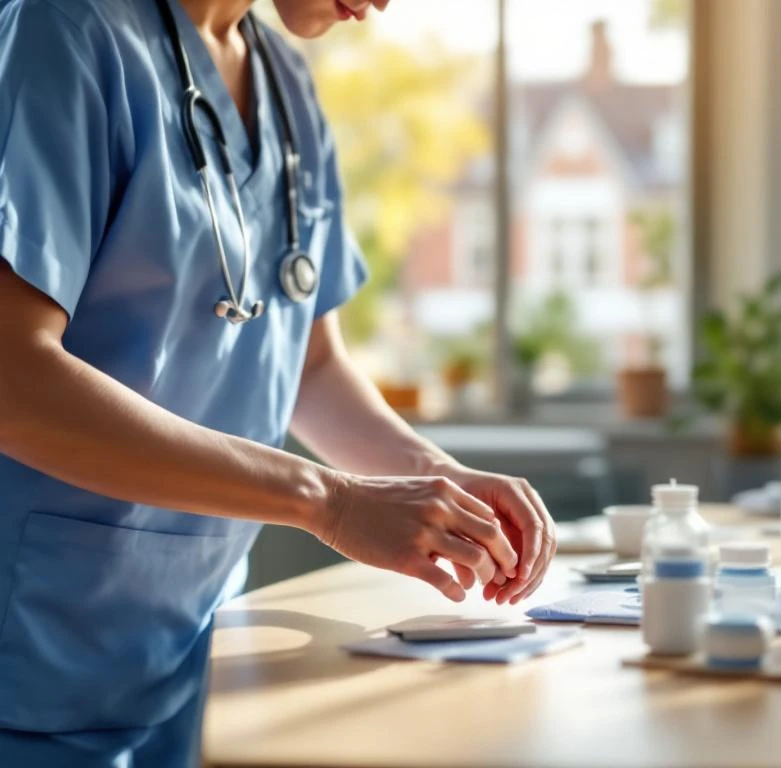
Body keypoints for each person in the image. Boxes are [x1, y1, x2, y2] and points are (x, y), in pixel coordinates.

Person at [0, 0, 556, 763]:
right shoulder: (61, 32)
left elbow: (309, 366)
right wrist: (330, 501)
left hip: (201, 651)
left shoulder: (284, 81)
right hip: (36, 663)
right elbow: (13, 381)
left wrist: (439, 480)